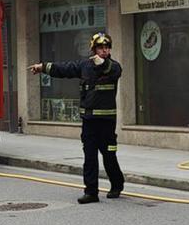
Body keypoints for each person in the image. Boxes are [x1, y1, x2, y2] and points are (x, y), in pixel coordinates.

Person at [29, 32, 125, 204]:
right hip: (88, 121)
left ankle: (117, 185)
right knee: (89, 156)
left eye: (106, 47)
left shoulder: (114, 66)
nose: (104, 50)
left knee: (109, 155)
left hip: (106, 121)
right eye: (100, 47)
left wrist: (101, 62)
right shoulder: (84, 65)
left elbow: (109, 69)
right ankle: (91, 193)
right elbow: (65, 69)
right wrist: (42, 67)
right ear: (94, 49)